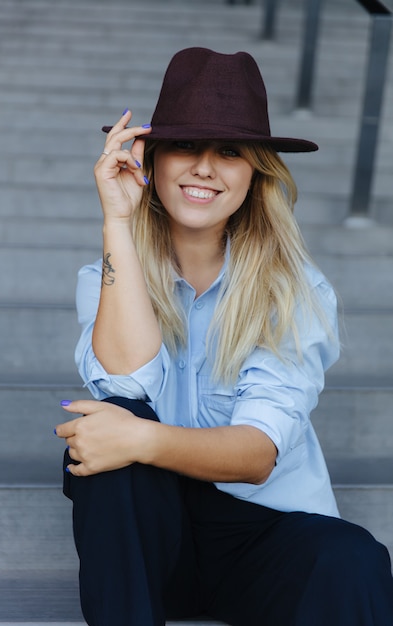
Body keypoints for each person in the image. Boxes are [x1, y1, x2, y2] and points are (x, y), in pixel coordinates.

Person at [55, 48, 393, 626]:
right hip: (152, 543)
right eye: (187, 146)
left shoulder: (295, 290)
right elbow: (126, 383)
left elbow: (258, 454)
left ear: (255, 170)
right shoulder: (106, 275)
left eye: (230, 152)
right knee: (114, 427)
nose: (206, 167)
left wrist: (141, 440)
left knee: (356, 558)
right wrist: (118, 221)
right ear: (153, 159)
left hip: (261, 537)